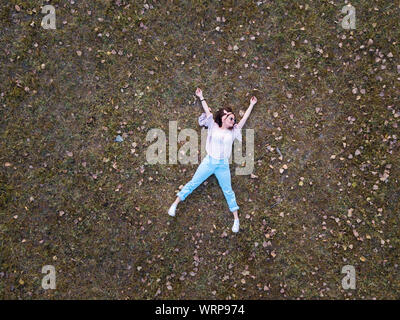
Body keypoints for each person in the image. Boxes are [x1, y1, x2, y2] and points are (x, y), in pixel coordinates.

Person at [168, 88, 257, 233]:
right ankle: (175, 204)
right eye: (230, 117)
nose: (233, 120)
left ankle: (236, 219)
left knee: (228, 190)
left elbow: (244, 120)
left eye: (233, 118)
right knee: (194, 183)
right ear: (222, 117)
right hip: (209, 162)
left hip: (222, 165)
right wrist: (201, 96)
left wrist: (251, 105)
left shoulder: (233, 131)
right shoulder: (213, 125)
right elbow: (208, 112)